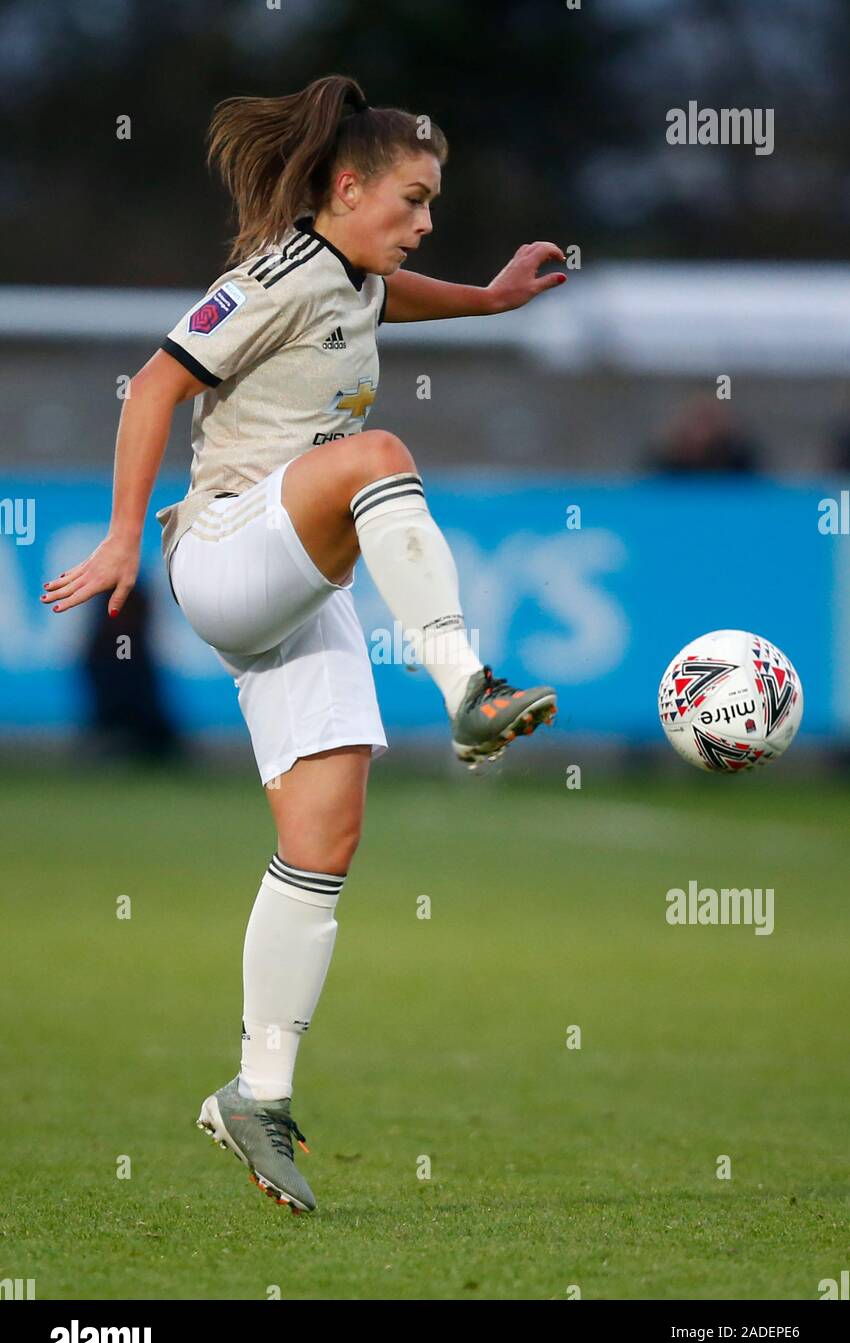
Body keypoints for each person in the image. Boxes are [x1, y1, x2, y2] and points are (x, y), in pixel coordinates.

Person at [41, 74, 564, 1213]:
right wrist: (126, 535)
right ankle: (468, 687)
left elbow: (385, 299)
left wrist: (486, 299)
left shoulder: (353, 272)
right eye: (414, 198)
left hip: (294, 580)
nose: (426, 220)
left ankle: (253, 1096)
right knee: (377, 455)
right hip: (228, 550)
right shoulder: (272, 273)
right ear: (346, 184)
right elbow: (151, 387)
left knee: (323, 834)